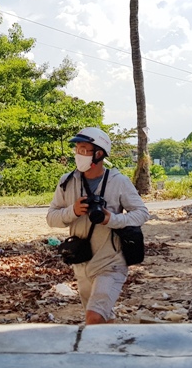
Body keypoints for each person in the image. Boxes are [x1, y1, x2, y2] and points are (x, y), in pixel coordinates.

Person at [46, 126, 150, 324]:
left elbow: (142, 214)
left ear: (99, 153)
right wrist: (73, 212)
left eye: (84, 149)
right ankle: (111, 351)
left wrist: (112, 219)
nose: (78, 154)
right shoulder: (67, 182)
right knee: (100, 319)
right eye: (77, 149)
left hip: (110, 263)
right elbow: (51, 218)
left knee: (93, 317)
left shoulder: (118, 181)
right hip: (81, 262)